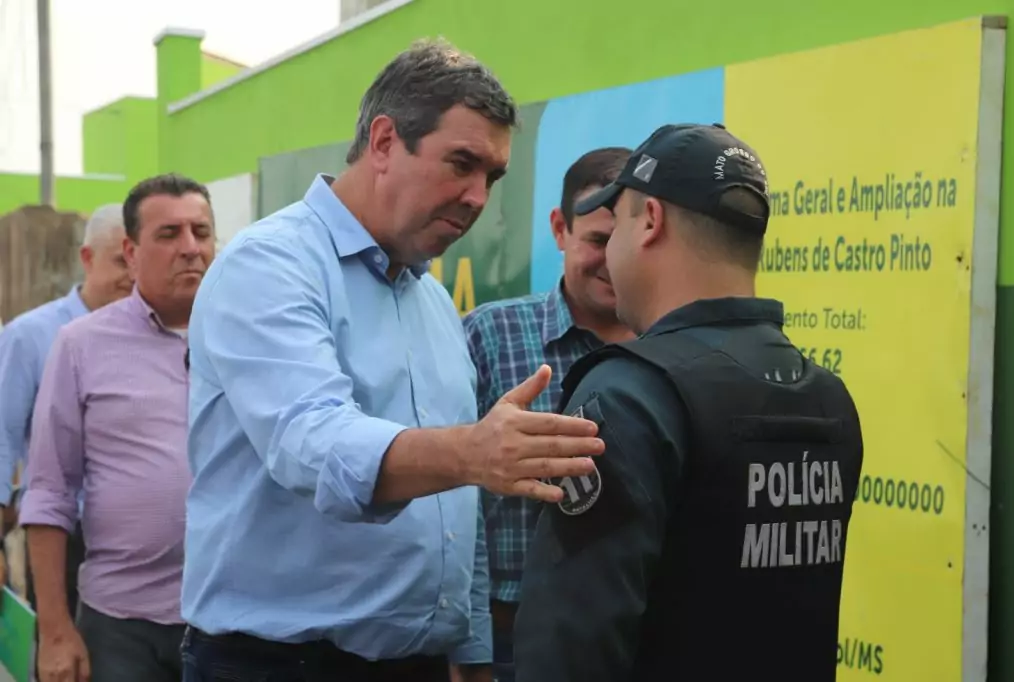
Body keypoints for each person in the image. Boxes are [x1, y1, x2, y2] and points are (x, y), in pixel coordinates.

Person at [179, 38, 603, 682]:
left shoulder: (432, 302)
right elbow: (313, 444)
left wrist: (473, 653)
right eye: (461, 163)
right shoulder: (270, 266)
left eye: (492, 176)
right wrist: (470, 452)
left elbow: (460, 511)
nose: (477, 196)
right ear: (382, 142)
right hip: (275, 664)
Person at [514, 123, 865, 682]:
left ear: (651, 221)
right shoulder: (827, 397)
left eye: (617, 224)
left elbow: (568, 646)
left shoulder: (627, 395)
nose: (609, 256)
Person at [20, 174, 215, 682]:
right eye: (169, 234)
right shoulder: (81, 345)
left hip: (231, 618)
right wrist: (57, 631)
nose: (191, 248)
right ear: (130, 252)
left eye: (201, 231)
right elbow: (48, 491)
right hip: (121, 624)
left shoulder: (250, 338)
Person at [462, 146, 633, 682]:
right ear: (560, 229)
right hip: (506, 637)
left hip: (631, 637)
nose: (609, 261)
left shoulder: (672, 350)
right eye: (596, 241)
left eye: (622, 243)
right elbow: (450, 503)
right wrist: (468, 647)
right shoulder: (491, 335)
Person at [0, 203, 131, 609]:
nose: (132, 275)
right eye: (120, 261)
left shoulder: (158, 332)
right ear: (87, 259)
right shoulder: (30, 336)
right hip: (64, 538)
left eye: (137, 259)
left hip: (141, 548)